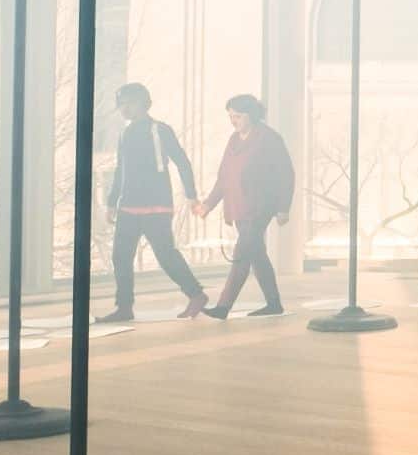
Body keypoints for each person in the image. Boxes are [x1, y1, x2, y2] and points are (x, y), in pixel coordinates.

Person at [100, 82, 207, 323]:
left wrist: (191, 196)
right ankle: (124, 307)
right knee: (120, 257)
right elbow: (121, 170)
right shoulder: (124, 133)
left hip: (156, 205)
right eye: (120, 104)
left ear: (141, 102)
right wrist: (111, 202)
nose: (123, 108)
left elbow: (182, 162)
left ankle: (196, 294)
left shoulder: (160, 130)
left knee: (166, 255)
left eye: (128, 102)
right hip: (128, 205)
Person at [192, 94, 296, 319]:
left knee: (241, 255)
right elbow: (224, 177)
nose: (233, 120)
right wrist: (208, 204)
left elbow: (286, 174)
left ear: (251, 115)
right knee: (257, 255)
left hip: (260, 206)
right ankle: (274, 304)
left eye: (237, 116)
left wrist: (283, 208)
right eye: (230, 116)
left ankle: (223, 307)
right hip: (238, 206)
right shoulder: (233, 140)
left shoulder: (270, 138)